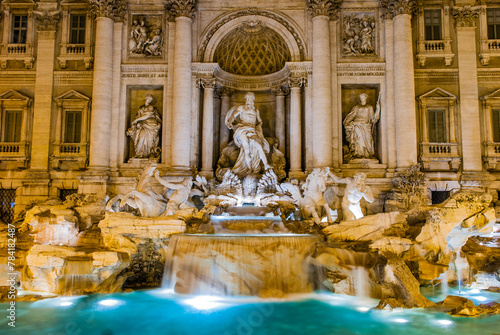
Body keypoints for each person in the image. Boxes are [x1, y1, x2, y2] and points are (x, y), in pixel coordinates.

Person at [225, 92, 272, 176]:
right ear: (245, 98)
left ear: (253, 99)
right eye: (248, 98)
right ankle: (249, 168)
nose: (249, 99)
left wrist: (259, 126)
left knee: (258, 145)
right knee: (246, 149)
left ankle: (266, 164)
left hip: (252, 130)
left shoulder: (256, 111)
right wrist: (230, 122)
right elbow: (233, 116)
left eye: (251, 98)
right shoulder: (241, 108)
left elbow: (260, 121)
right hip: (242, 129)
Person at [343, 93, 380, 160]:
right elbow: (352, 115)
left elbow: (373, 119)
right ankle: (358, 153)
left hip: (366, 126)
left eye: (363, 97)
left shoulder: (369, 107)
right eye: (361, 98)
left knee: (368, 140)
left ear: (366, 98)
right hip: (357, 124)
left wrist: (378, 109)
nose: (362, 99)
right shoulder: (357, 107)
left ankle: (366, 154)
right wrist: (347, 122)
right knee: (359, 138)